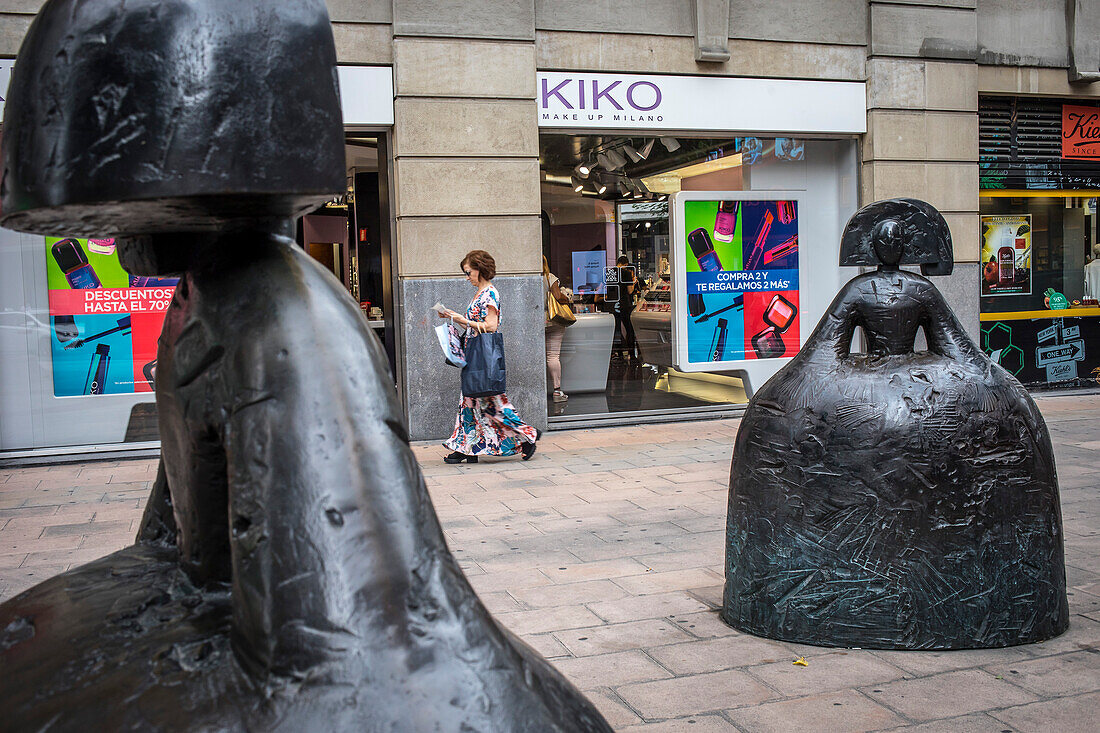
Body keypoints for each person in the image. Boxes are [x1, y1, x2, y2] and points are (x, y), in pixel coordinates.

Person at [439, 250, 539, 463]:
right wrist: (452, 316)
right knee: (469, 401)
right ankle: (465, 448)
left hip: (482, 356)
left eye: (468, 272)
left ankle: (528, 434)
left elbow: (491, 326)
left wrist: (462, 320)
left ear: (479, 269)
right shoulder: (480, 293)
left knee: (492, 403)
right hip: (474, 354)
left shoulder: (490, 293)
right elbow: (475, 323)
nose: (467, 277)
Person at [543, 255, 571, 403]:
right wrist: (567, 298)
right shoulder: (550, 277)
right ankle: (556, 391)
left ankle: (539, 390)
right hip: (554, 321)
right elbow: (558, 296)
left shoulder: (532, 279)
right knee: (553, 356)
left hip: (538, 322)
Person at [613, 255, 638, 360]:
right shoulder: (626, 273)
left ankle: (618, 353)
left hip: (613, 303)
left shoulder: (610, 272)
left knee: (616, 329)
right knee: (629, 328)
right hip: (624, 303)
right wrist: (634, 282)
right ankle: (631, 353)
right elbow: (630, 291)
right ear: (626, 264)